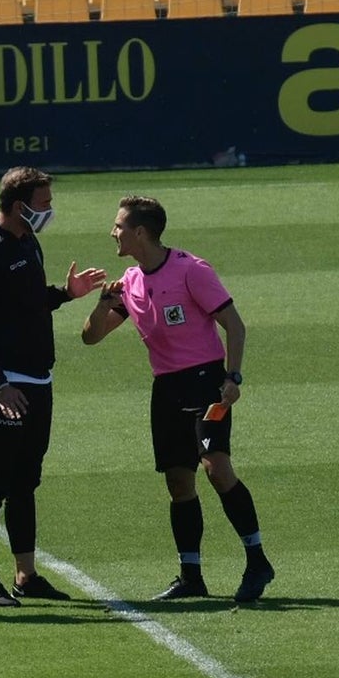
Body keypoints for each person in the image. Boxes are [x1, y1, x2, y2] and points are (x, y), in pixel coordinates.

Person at [81, 196, 275, 603]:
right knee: (178, 481)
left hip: (206, 382)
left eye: (118, 226)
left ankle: (257, 560)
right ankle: (191, 576)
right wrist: (102, 306)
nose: (112, 233)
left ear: (140, 232)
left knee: (216, 468)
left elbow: (234, 326)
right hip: (166, 388)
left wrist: (234, 376)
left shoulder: (191, 270)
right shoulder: (129, 281)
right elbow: (91, 337)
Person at [0, 167, 107, 607]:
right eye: (43, 204)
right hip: (1, 386)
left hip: (38, 380)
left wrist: (66, 292)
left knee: (25, 482)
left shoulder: (28, 241)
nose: (49, 211)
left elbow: (30, 300)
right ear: (18, 204)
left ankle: (26, 575)